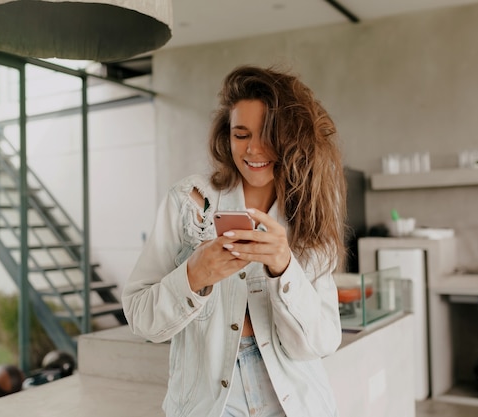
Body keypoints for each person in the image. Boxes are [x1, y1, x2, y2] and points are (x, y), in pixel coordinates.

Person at [121, 64, 347, 417]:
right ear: (225, 136)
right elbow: (139, 317)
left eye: (268, 135)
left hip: (294, 401)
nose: (254, 150)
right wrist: (194, 277)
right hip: (207, 403)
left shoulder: (309, 213)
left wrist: (284, 270)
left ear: (291, 138)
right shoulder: (189, 201)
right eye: (241, 135)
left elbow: (322, 342)